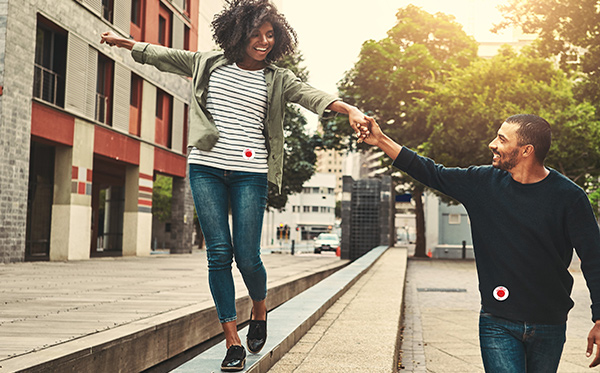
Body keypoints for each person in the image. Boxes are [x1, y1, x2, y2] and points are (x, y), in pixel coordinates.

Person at [101, 0, 369, 371]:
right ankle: (231, 340)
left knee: (248, 255)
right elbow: (165, 55)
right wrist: (127, 44)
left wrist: (350, 109)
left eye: (270, 35)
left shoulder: (277, 78)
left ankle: (259, 308)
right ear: (237, 34)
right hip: (206, 167)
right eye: (256, 34)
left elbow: (313, 96)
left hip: (251, 172)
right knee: (218, 255)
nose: (263, 41)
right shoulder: (208, 63)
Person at [361, 114, 600, 372]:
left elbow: (594, 258)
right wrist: (381, 140)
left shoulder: (569, 197)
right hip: (497, 321)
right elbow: (430, 171)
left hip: (549, 322)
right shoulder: (482, 183)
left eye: (501, 139)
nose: (492, 144)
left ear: (526, 151)